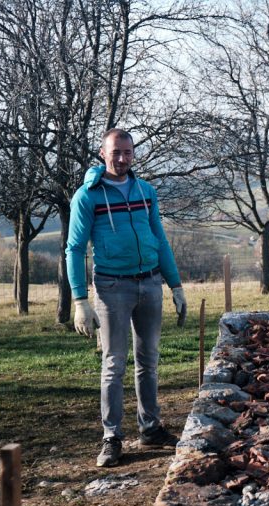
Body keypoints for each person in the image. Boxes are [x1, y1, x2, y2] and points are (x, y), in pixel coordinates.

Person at [66, 128, 187, 467]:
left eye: (127, 152)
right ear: (103, 153)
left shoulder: (146, 191)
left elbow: (160, 239)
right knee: (114, 364)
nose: (121, 158)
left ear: (134, 154)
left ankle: (150, 428)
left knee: (148, 361)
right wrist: (79, 300)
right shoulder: (87, 196)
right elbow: (74, 249)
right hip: (111, 288)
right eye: (115, 152)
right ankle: (111, 437)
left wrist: (175, 285)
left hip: (149, 283)